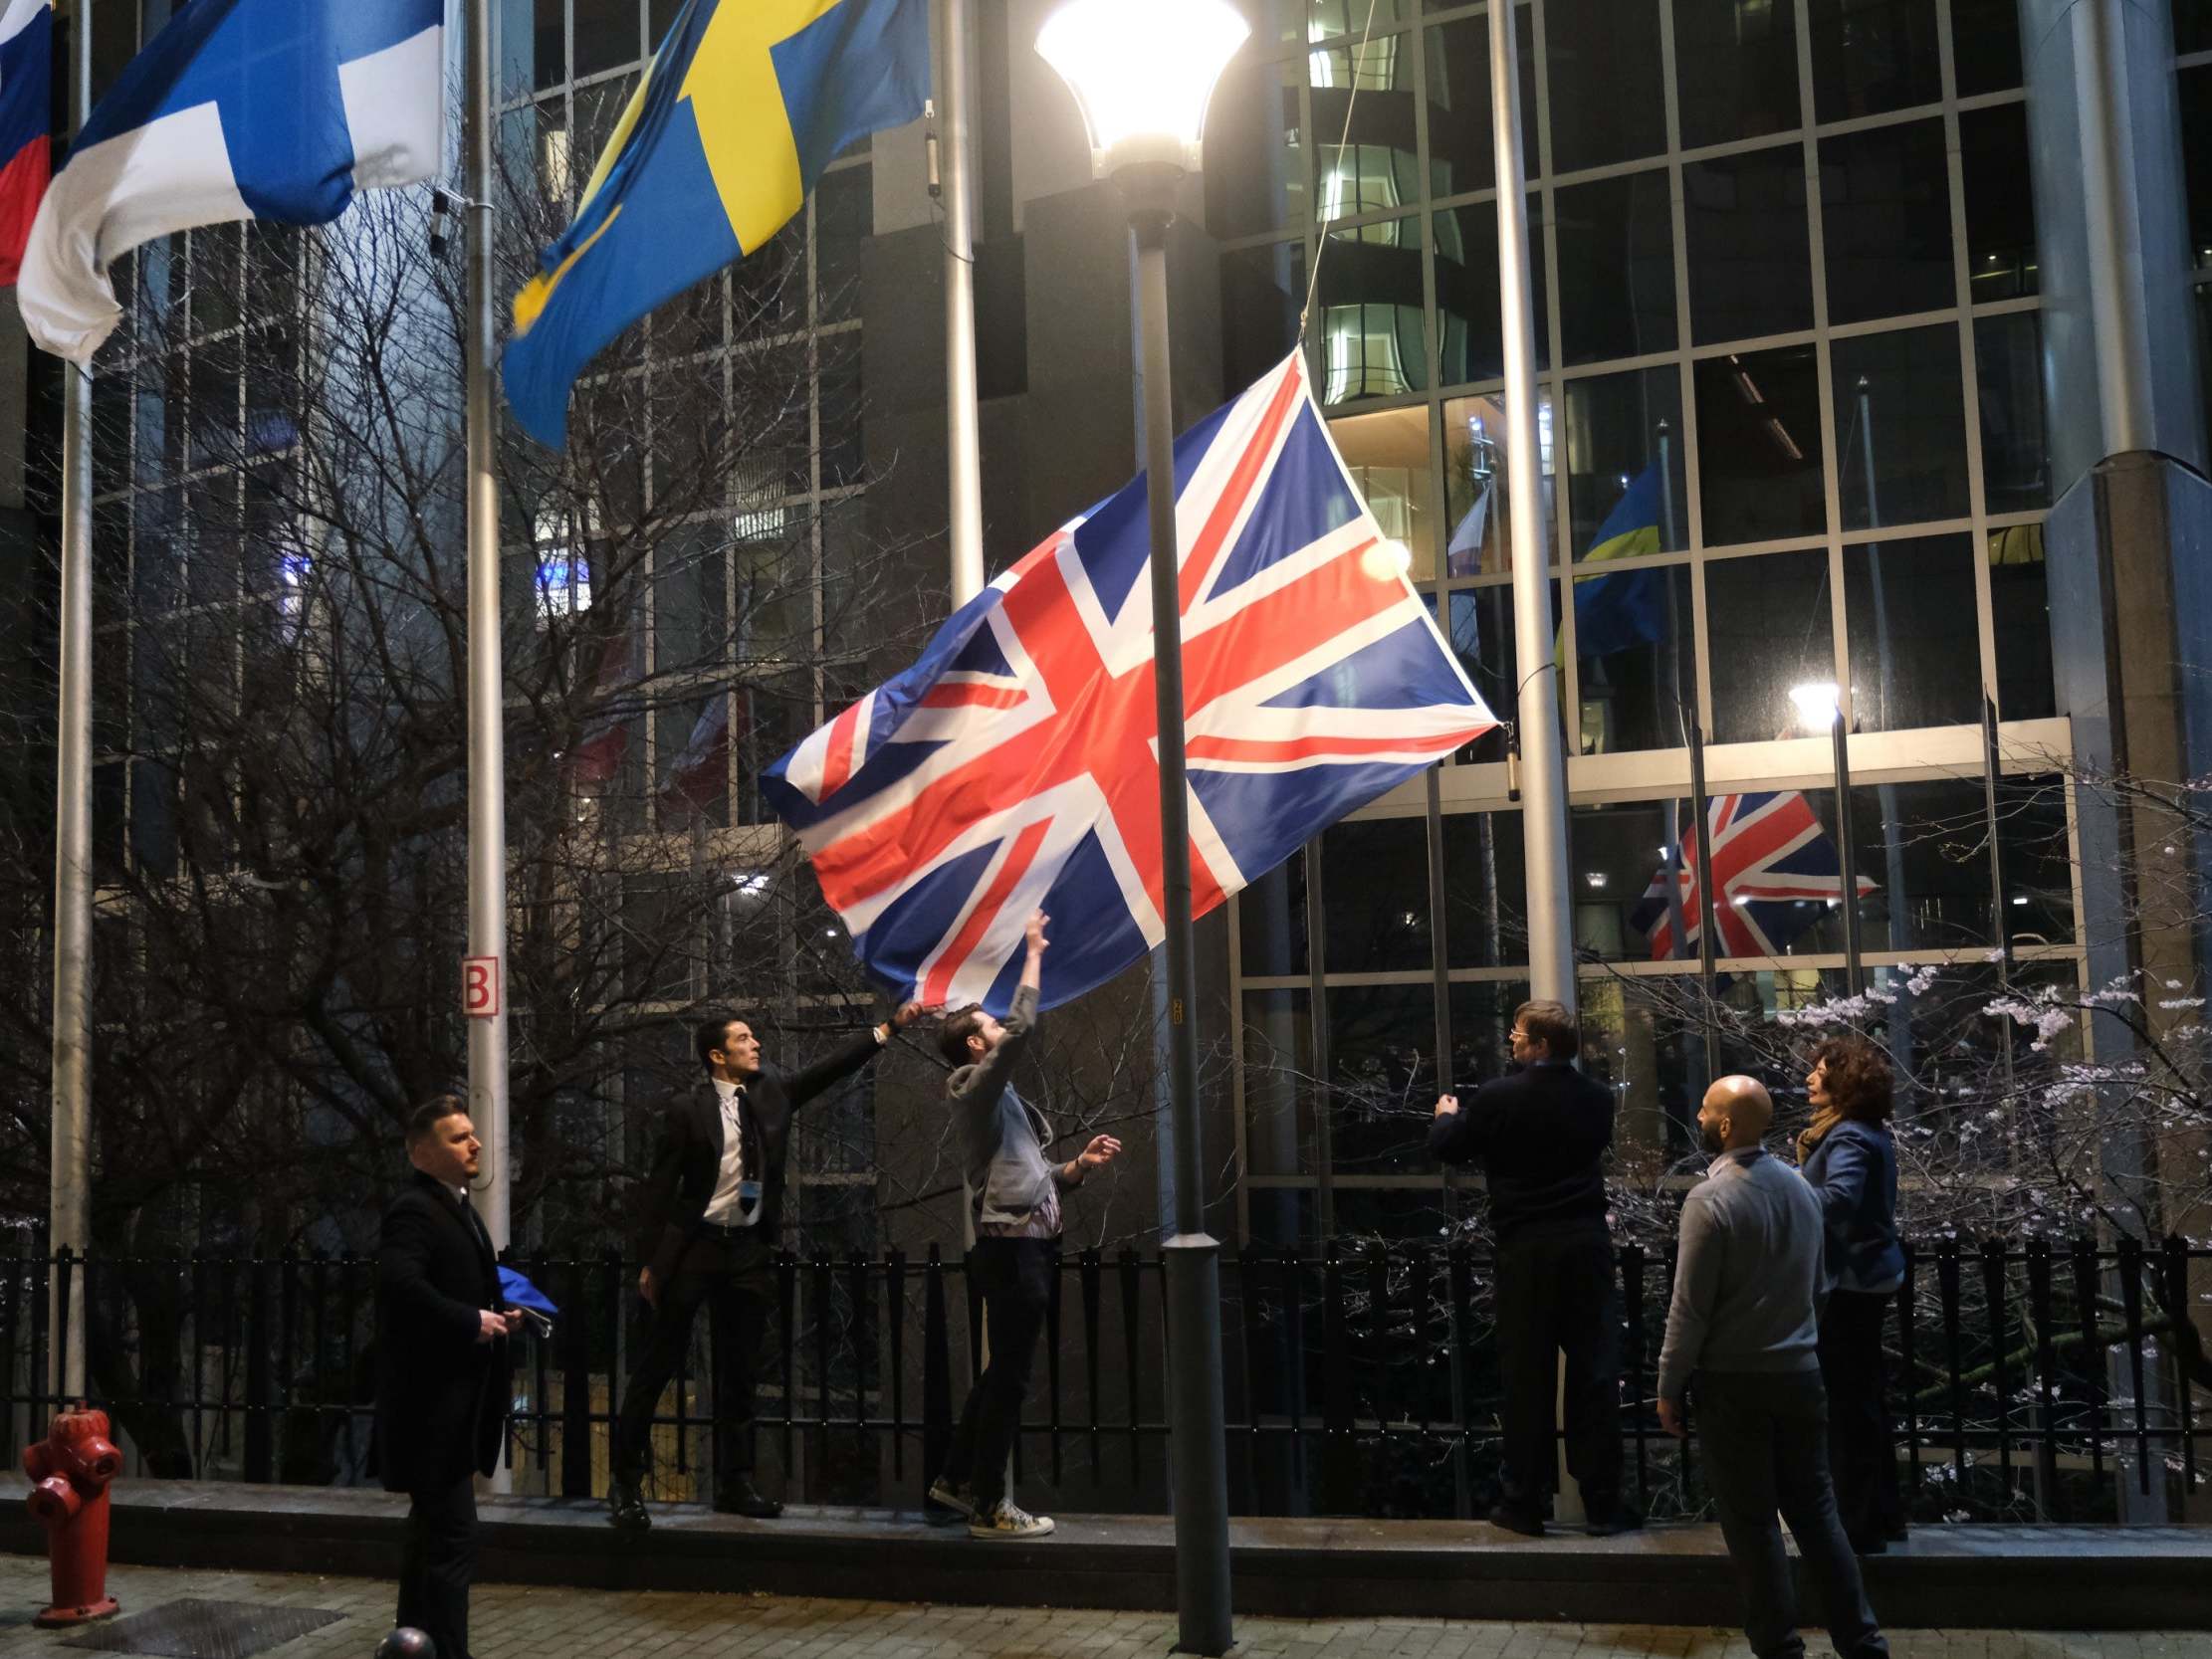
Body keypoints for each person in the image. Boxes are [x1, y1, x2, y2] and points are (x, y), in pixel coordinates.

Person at [608, 998, 922, 1531]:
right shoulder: (687, 1109)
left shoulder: (770, 1092)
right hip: (696, 1247)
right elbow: (659, 1189)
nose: (756, 1044)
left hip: (748, 1249)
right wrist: (650, 1263)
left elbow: (828, 1070)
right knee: (658, 1364)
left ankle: (736, 1482)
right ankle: (625, 1483)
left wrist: (888, 1028)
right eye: (743, 1039)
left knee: (741, 1371)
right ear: (717, 1055)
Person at [1658, 1076, 1888, 1659]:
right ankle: (1862, 1642)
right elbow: (1818, 1285)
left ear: (1725, 1125)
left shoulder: (1708, 1201)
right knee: (1818, 1515)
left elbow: (1690, 1308)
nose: (1698, 1117)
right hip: (1800, 1373)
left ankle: (1779, 1647)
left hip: (1733, 1381)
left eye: (1706, 1110)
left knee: (1752, 1523)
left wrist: (1669, 1383)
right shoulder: (1800, 1189)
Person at [926, 910, 1121, 1541]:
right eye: (989, 1026)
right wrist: (1033, 951)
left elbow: (1030, 1178)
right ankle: (990, 1506)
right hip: (1013, 1256)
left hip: (1025, 1250)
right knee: (1010, 1380)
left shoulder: (1000, 1100)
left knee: (1001, 1374)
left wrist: (1076, 1166)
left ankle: (954, 1480)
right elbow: (1021, 1029)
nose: (999, 1029)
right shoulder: (975, 1090)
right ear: (976, 1046)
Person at [1428, 999, 1634, 1536]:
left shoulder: (1499, 1097)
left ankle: (1524, 1499)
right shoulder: (1597, 1098)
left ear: (1540, 1045)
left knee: (1527, 1375)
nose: (1512, 1041)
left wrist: (1447, 1115)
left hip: (1526, 1248)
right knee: (1594, 1374)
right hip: (1586, 1245)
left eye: (1519, 1035)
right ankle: (1603, 1501)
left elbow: (1448, 1147)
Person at [374, 1097, 519, 1659]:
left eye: (472, 1134)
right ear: (421, 1152)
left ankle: (414, 1646)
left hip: (450, 1409)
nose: (475, 1144)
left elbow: (451, 1285)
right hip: (432, 1411)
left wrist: (496, 1316)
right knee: (453, 1538)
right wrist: (469, 1321)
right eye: (459, 1138)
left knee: (430, 1537)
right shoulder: (414, 1209)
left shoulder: (456, 1206)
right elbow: (399, 1284)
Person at [1798, 1033, 1908, 1554]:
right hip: (1869, 1275)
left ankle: (1858, 1523)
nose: (1809, 1078)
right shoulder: (1864, 1132)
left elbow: (1838, 1199)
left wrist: (1788, 1198)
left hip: (1851, 1280)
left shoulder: (1847, 1137)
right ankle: (1881, 1515)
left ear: (1842, 1083)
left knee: (1848, 1403)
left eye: (1820, 1072)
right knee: (1864, 1398)